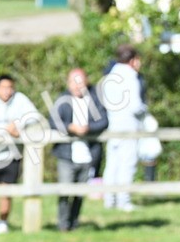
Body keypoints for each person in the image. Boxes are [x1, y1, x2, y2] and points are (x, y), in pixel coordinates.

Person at [0, 74, 41, 233]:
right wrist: (6, 128)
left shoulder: (20, 99)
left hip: (12, 154)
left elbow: (35, 116)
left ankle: (3, 222)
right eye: (4, 87)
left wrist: (18, 124)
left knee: (7, 189)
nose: (7, 91)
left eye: (10, 87)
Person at [51, 69, 108, 232]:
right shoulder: (62, 100)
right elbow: (53, 121)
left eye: (80, 82)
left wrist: (88, 129)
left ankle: (74, 222)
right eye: (73, 82)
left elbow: (104, 121)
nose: (77, 86)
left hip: (89, 154)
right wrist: (70, 128)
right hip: (66, 154)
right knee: (64, 190)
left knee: (80, 191)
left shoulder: (95, 100)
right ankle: (62, 224)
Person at [99, 44, 145, 212]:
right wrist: (145, 111)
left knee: (112, 163)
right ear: (132, 60)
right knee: (127, 163)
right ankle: (123, 200)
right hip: (128, 125)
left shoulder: (110, 75)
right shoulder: (130, 77)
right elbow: (135, 106)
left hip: (113, 123)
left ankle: (109, 199)